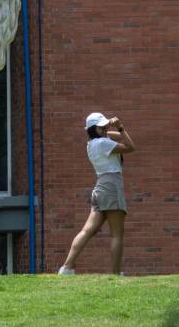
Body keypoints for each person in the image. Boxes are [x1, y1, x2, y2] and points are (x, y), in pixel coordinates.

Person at [58, 112, 135, 275]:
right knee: (117, 234)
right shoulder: (103, 143)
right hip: (111, 186)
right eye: (101, 126)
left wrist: (108, 128)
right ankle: (115, 274)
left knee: (87, 231)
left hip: (100, 187)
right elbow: (130, 147)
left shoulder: (92, 143)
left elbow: (117, 138)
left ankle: (67, 268)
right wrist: (120, 127)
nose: (105, 127)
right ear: (94, 129)